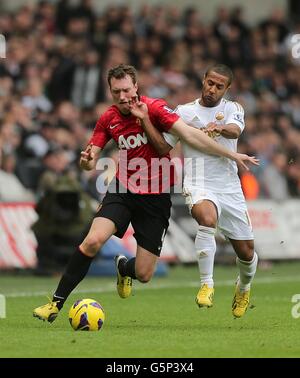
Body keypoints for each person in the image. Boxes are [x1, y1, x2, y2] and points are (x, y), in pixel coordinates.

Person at [33, 64, 258, 323]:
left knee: (144, 273)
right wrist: (87, 160)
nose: (122, 96)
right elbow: (90, 158)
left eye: (126, 90)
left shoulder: (155, 108)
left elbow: (188, 136)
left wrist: (231, 154)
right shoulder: (108, 118)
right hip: (123, 189)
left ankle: (123, 267)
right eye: (116, 91)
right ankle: (55, 304)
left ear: (136, 87)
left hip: (155, 197)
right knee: (92, 241)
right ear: (110, 91)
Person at [135, 64, 258, 318]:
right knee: (207, 219)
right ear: (203, 80)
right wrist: (145, 122)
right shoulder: (185, 112)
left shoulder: (233, 109)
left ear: (227, 89)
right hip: (198, 182)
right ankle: (207, 285)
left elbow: (235, 130)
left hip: (229, 187)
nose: (212, 89)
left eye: (219, 86)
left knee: (246, 253)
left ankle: (243, 287)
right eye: (210, 83)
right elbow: (162, 146)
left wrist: (218, 128)